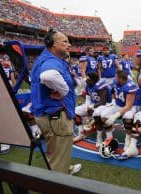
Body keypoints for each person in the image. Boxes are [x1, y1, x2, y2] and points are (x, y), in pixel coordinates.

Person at [30, 29, 81, 174]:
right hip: (55, 116)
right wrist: (64, 91)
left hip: (46, 114)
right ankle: (59, 175)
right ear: (52, 45)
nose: (69, 45)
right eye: (64, 41)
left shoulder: (45, 58)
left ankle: (62, 167)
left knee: (54, 151)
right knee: (59, 151)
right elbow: (48, 76)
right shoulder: (51, 61)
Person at [98, 70, 137, 148]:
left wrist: (115, 116)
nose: (114, 78)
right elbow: (113, 91)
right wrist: (113, 100)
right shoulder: (116, 82)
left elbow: (128, 106)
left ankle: (127, 139)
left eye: (116, 77)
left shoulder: (129, 86)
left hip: (129, 107)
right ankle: (110, 139)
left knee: (128, 119)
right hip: (117, 105)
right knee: (103, 116)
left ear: (120, 79)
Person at [74, 72, 112, 144]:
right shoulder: (88, 85)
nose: (86, 80)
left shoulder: (101, 86)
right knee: (75, 112)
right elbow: (88, 98)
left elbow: (103, 101)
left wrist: (91, 107)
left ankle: (99, 137)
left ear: (93, 80)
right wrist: (87, 107)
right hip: (94, 104)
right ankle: (81, 133)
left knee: (96, 114)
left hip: (106, 105)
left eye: (88, 79)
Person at [0, 54, 16, 154]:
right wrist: (14, 87)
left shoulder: (0, 65)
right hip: (8, 86)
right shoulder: (9, 66)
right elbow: (13, 79)